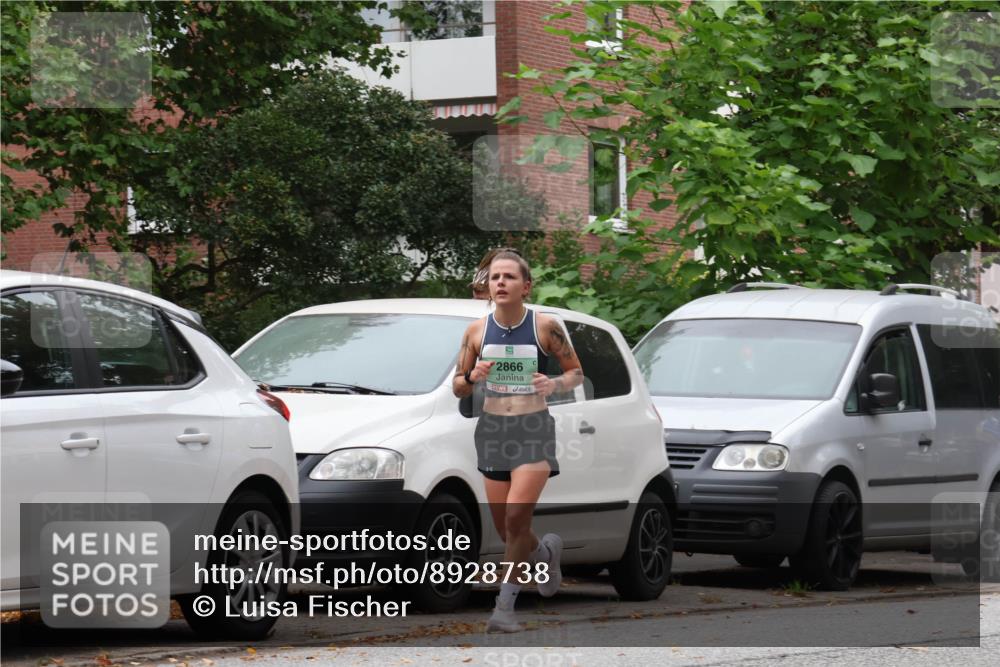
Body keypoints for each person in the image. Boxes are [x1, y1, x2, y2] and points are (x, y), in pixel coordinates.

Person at [453, 248, 584, 633]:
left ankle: (504, 608)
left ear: (525, 286)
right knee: (508, 528)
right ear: (488, 286)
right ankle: (545, 553)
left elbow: (576, 373)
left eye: (509, 277)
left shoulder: (545, 327)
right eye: (495, 277)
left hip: (533, 428)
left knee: (515, 515)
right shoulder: (476, 332)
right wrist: (473, 377)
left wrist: (554, 382)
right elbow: (458, 388)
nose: (500, 283)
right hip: (493, 429)